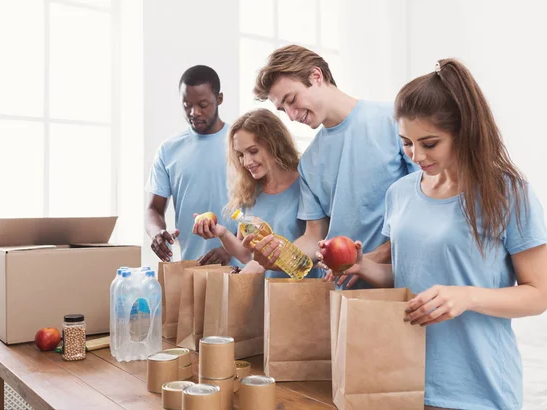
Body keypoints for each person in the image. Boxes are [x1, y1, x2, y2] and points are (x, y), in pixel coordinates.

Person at [320, 58, 547, 409]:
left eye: (429, 143)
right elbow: (411, 277)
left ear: (464, 131)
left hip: (479, 391)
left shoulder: (507, 194)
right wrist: (364, 266)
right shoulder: (400, 193)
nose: (416, 156)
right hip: (404, 381)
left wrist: (467, 297)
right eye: (406, 143)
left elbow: (538, 295)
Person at [245, 45, 416, 288]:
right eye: (283, 110)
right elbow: (315, 236)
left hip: (399, 288)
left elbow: (422, 205)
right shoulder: (309, 161)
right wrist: (279, 256)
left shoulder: (394, 121)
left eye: (291, 100)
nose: (291, 116)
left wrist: (369, 260)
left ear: (316, 76)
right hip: (342, 294)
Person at [193, 108, 324, 278]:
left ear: (274, 144)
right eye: (240, 154)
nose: (247, 162)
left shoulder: (306, 183)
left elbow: (316, 244)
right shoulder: (249, 191)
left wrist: (265, 262)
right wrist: (222, 233)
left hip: (300, 296)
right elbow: (247, 255)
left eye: (253, 151)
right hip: (263, 297)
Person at [146, 65, 236, 266]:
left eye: (203, 104)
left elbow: (264, 210)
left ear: (219, 99)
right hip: (192, 268)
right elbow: (154, 208)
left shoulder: (242, 144)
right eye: (187, 105)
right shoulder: (168, 150)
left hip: (243, 270)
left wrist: (232, 246)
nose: (194, 112)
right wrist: (156, 233)